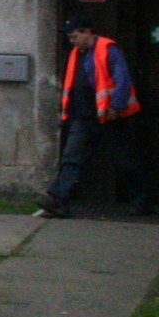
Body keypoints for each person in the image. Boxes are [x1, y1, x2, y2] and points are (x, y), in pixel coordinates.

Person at [39, 15, 148, 218]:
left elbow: (122, 78)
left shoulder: (108, 49)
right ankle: (58, 199)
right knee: (71, 158)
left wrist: (116, 106)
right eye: (70, 38)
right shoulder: (76, 54)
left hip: (109, 116)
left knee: (126, 160)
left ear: (86, 32)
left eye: (74, 36)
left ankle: (140, 201)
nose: (72, 41)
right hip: (84, 116)